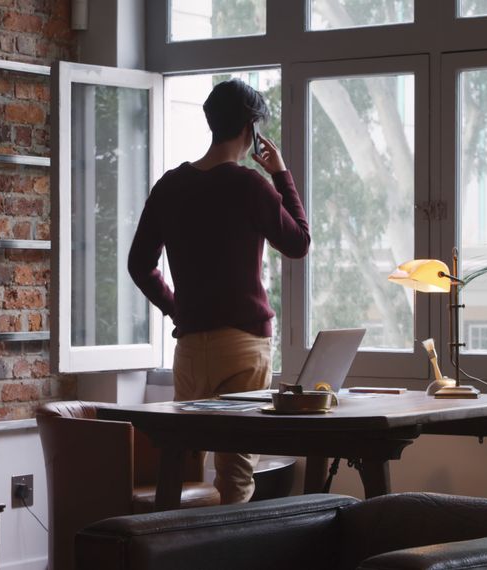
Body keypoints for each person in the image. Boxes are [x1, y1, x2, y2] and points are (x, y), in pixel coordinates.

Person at [127, 79, 310, 504]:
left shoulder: (170, 186)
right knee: (236, 471)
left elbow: (140, 265)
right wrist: (281, 174)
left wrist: (177, 309)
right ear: (252, 129)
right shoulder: (251, 185)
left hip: (189, 349)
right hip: (243, 348)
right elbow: (298, 242)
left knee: (176, 458)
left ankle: (167, 550)